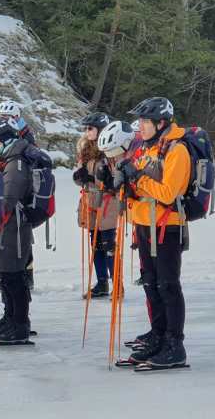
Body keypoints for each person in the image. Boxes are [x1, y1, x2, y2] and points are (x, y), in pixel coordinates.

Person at [118, 97, 190, 368]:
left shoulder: (177, 151)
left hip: (167, 227)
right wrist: (126, 183)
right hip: (145, 225)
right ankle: (159, 335)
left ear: (161, 123)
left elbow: (168, 193)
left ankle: (175, 344)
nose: (140, 127)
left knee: (168, 285)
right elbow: (143, 191)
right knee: (150, 283)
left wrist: (138, 178)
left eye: (145, 122)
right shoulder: (149, 149)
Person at [0, 119, 35, 345]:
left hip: (15, 227)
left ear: (4, 141)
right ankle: (10, 317)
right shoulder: (7, 161)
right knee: (4, 273)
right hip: (5, 226)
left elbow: (8, 199)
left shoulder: (16, 164)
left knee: (13, 276)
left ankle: (19, 324)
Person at [72, 112, 117, 299]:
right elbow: (80, 176)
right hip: (90, 200)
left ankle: (117, 284)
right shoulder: (85, 150)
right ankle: (102, 283)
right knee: (95, 243)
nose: (87, 131)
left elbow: (115, 182)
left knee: (108, 244)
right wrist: (79, 177)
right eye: (86, 128)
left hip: (107, 202)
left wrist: (94, 179)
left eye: (90, 128)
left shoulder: (111, 151)